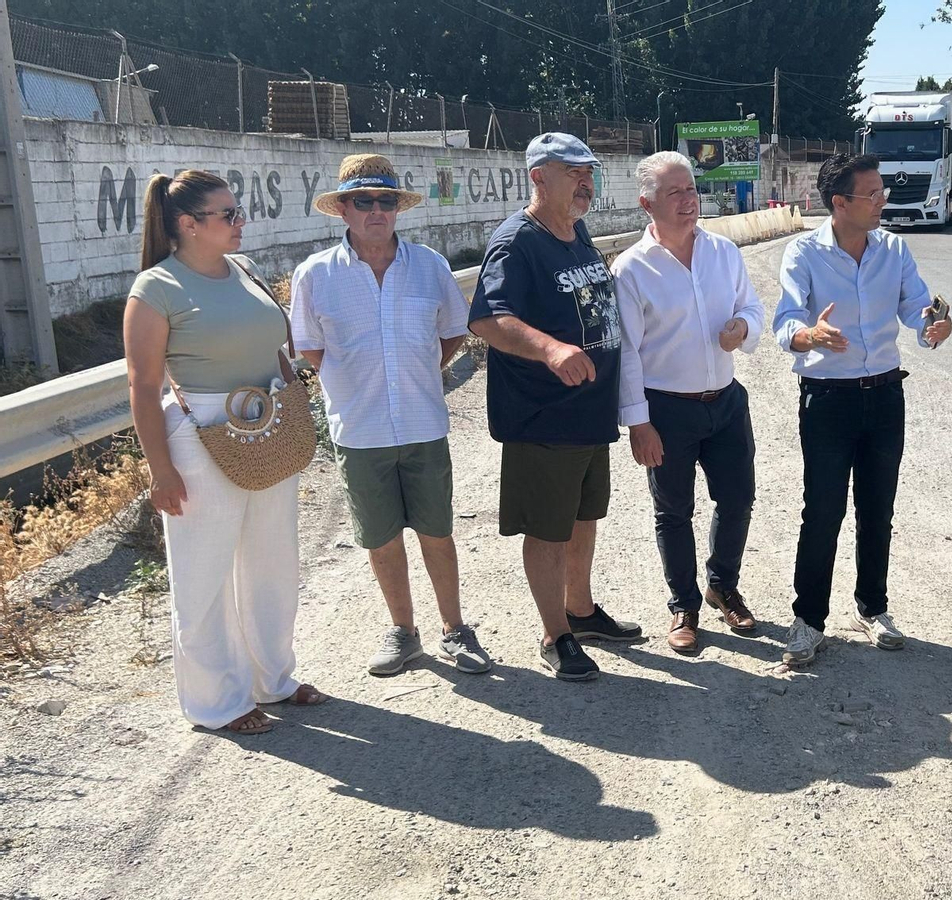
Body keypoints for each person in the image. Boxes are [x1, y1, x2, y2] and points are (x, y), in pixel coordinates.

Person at [123, 170, 326, 735]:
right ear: (188, 225)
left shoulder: (246, 271)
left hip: (265, 422)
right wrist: (160, 470)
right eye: (228, 215)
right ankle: (217, 702)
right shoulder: (156, 289)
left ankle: (273, 680)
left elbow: (278, 346)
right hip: (199, 431)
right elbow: (143, 387)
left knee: (273, 559)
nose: (241, 222)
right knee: (203, 572)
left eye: (238, 212)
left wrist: (292, 407)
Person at [291, 154, 490, 677]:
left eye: (386, 201)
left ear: (397, 208)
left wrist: (422, 368)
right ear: (343, 210)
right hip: (359, 429)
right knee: (380, 538)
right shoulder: (314, 275)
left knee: (436, 532)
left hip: (423, 422)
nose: (376, 211)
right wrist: (357, 382)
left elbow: (452, 332)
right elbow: (310, 348)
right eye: (364, 201)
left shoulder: (429, 265)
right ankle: (404, 631)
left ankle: (455, 629)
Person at [468, 133, 642, 682]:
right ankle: (554, 635)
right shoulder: (516, 242)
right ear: (539, 177)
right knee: (547, 529)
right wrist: (550, 348)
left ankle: (581, 612)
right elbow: (488, 319)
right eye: (574, 172)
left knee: (584, 518)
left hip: (589, 415)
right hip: (543, 416)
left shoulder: (575, 231)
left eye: (588, 171)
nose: (586, 181)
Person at [771, 153, 952, 666]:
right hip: (828, 398)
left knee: (878, 509)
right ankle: (808, 620)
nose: (882, 202)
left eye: (882, 193)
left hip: (885, 395)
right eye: (872, 195)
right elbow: (784, 322)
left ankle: (872, 607)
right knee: (823, 511)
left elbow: (917, 305)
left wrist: (932, 326)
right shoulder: (803, 253)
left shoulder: (893, 249)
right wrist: (811, 335)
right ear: (840, 203)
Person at [613, 151, 764, 654]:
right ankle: (684, 605)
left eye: (691, 190)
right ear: (646, 203)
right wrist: (638, 422)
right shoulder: (631, 270)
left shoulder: (723, 252)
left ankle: (723, 584)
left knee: (738, 499)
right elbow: (628, 354)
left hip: (725, 401)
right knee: (673, 512)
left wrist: (743, 327)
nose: (688, 200)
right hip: (667, 411)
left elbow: (751, 306)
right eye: (675, 192)